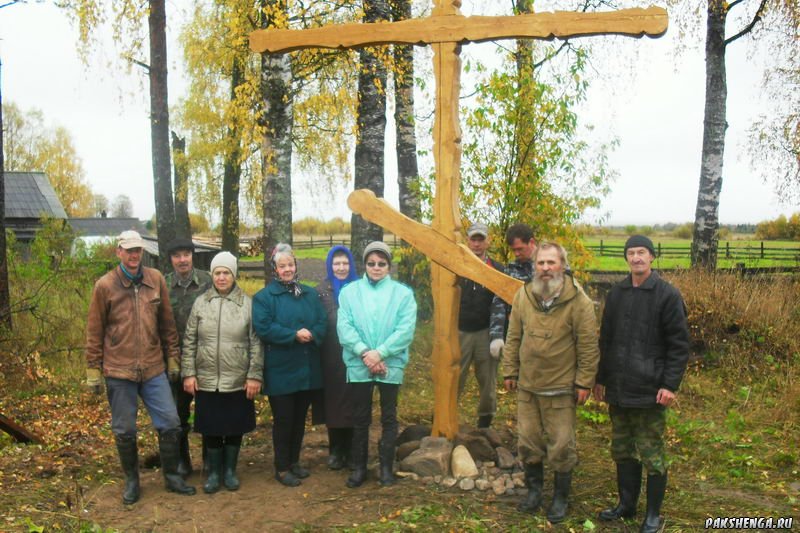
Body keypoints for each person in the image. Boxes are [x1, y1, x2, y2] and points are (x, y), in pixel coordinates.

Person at [85, 230, 196, 505]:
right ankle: (132, 481)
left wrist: (172, 358)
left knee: (170, 423)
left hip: (152, 367)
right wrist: (92, 370)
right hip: (118, 370)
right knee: (124, 430)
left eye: (138, 250)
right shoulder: (105, 286)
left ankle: (171, 477)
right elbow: (94, 331)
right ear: (118, 252)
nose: (134, 255)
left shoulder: (155, 279)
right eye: (129, 250)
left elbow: (167, 324)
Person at [594, 235, 690, 533]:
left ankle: (652, 514)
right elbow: (606, 340)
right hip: (618, 389)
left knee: (652, 454)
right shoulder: (618, 293)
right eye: (631, 253)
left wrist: (669, 385)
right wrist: (600, 378)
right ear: (626, 258)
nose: (636, 258)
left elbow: (679, 345)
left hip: (650, 391)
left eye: (642, 252)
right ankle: (626, 505)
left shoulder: (667, 295)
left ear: (652, 257)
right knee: (622, 449)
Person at [502, 242, 599, 523]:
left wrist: (584, 383)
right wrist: (510, 370)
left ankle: (560, 498)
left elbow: (588, 345)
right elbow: (514, 336)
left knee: (561, 445)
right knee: (529, 441)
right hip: (529, 387)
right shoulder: (524, 295)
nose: (545, 269)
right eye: (541, 263)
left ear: (563, 266)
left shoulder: (578, 301)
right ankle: (534, 493)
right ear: (535, 267)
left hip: (561, 388)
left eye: (551, 263)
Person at [337, 241, 417, 488]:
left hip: (389, 363)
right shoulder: (349, 292)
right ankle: (359, 467)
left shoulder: (403, 294)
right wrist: (365, 354)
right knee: (360, 417)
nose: (376, 267)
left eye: (382, 263)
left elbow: (405, 330)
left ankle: (385, 468)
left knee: (389, 417)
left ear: (389, 266)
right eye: (371, 263)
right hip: (360, 363)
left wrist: (380, 354)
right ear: (365, 264)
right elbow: (344, 327)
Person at [181, 252, 262, 494]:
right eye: (218, 273)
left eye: (226, 272)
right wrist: (189, 373)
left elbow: (256, 342)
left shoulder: (246, 304)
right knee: (211, 427)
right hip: (206, 379)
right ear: (212, 275)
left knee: (234, 426)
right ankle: (214, 473)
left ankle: (229, 471)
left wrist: (254, 375)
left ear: (234, 275)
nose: (222, 277)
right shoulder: (201, 302)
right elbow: (189, 340)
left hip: (237, 378)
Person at [252, 243, 327, 487]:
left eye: (290, 265)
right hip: (281, 370)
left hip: (306, 368)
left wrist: (313, 334)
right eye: (282, 266)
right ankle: (282, 467)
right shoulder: (264, 298)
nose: (287, 269)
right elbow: (264, 327)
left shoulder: (309, 294)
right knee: (284, 420)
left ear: (296, 266)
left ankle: (295, 461)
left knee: (299, 419)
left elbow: (322, 321)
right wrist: (293, 335)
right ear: (274, 268)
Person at [165, 238, 212, 477]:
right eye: (177, 256)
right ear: (171, 259)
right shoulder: (163, 285)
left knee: (208, 412)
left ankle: (209, 461)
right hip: (175, 361)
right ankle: (182, 461)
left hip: (205, 359)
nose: (182, 260)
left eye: (186, 254)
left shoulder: (208, 281)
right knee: (177, 414)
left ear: (192, 256)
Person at [457, 223, 504, 429]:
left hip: (486, 332)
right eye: (473, 239)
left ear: (488, 241)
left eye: (480, 239)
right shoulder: (456, 266)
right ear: (467, 240)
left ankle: (485, 421)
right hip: (459, 332)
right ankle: (445, 416)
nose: (476, 243)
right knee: (454, 377)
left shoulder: (497, 269)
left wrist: (498, 335)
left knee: (488, 380)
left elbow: (502, 304)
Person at [317, 245, 360, 470]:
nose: (341, 268)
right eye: (336, 263)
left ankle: (353, 449)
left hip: (356, 353)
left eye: (345, 263)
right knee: (333, 402)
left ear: (351, 265)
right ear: (330, 266)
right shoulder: (322, 290)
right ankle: (335, 449)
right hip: (330, 354)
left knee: (354, 401)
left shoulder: (360, 287)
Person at [489, 223, 537, 360]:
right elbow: (499, 301)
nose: (516, 254)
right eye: (513, 250)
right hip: (518, 338)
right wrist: (496, 335)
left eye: (520, 249)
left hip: (546, 339)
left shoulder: (549, 265)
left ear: (531, 242)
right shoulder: (511, 270)